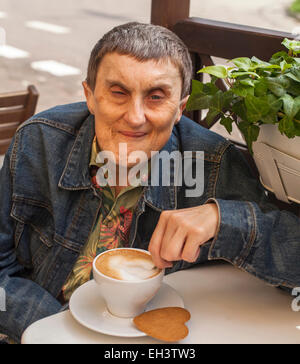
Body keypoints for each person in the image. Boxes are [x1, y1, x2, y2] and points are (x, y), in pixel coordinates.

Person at [0, 22, 299, 343]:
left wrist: (224, 220)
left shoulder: (211, 163)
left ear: (180, 109)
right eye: (118, 92)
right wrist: (56, 328)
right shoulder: (39, 141)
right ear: (90, 96)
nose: (135, 116)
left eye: (156, 96)